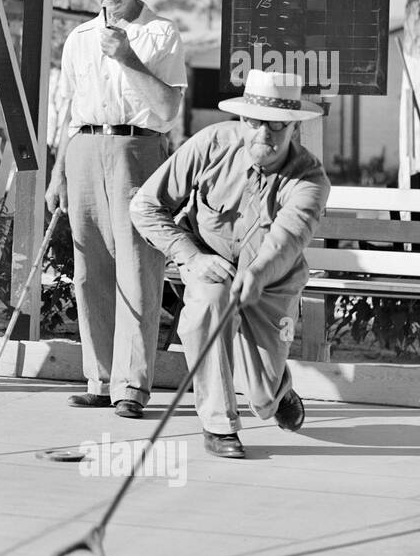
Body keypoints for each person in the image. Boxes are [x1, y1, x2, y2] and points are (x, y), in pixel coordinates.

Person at [129, 70, 331, 459]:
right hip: (210, 261)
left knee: (261, 396)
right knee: (208, 303)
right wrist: (190, 255)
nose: (265, 136)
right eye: (256, 123)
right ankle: (219, 426)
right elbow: (145, 206)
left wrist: (256, 273)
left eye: (277, 126)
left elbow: (288, 239)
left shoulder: (310, 179)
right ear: (243, 120)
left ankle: (277, 392)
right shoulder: (211, 144)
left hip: (272, 281)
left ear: (294, 128)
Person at [45, 0, 188, 420]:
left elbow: (168, 109)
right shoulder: (78, 39)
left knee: (138, 270)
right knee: (90, 272)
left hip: (136, 148)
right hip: (84, 148)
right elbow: (69, 112)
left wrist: (128, 58)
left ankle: (132, 386)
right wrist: (60, 172)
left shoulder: (160, 33)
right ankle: (100, 378)